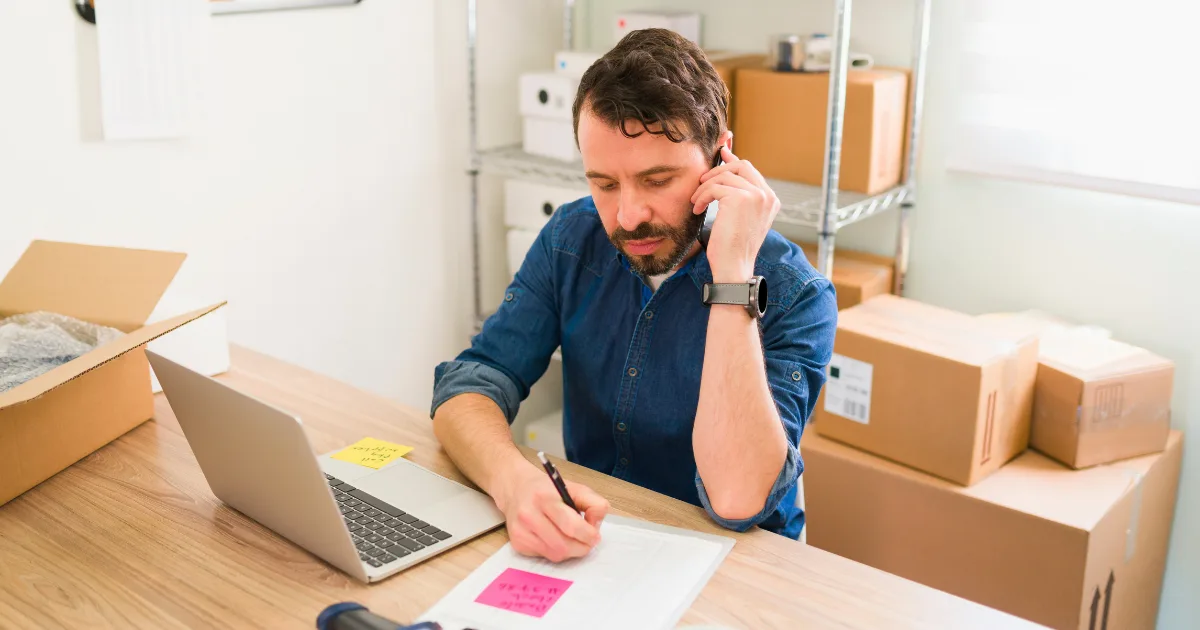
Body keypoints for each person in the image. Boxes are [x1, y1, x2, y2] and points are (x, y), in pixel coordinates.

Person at [431, 28, 837, 562]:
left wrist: (733, 274)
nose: (627, 216)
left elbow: (737, 501)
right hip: (600, 548)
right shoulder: (571, 241)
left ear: (721, 161)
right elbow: (470, 386)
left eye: (657, 179)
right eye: (604, 184)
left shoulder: (795, 292)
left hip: (740, 571)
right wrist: (514, 483)